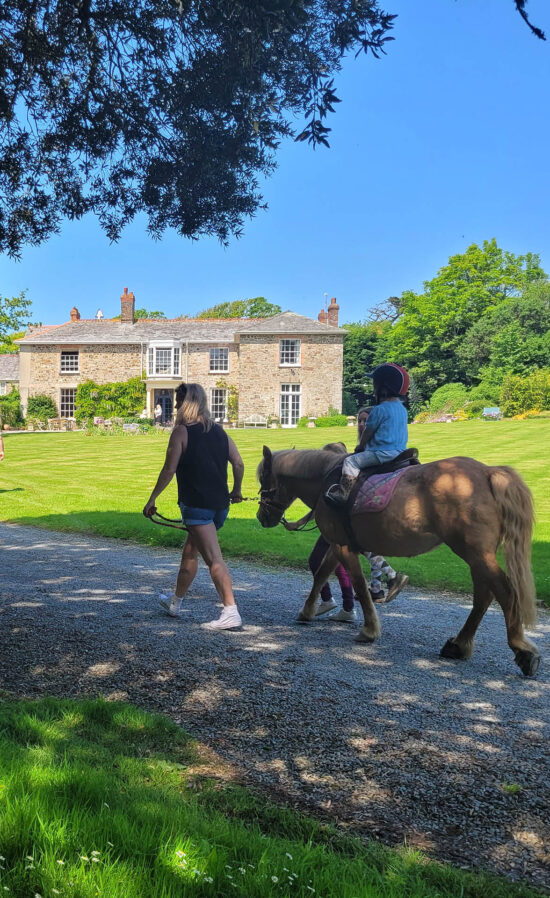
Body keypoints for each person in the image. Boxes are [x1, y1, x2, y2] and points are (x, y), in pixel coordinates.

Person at [143, 382, 245, 630]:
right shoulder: (220, 431)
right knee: (191, 552)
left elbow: (169, 469)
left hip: (197, 505)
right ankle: (175, 602)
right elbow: (239, 463)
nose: (176, 406)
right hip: (220, 506)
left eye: (178, 401)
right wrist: (237, 490)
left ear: (186, 403)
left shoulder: (181, 432)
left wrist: (152, 498)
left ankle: (231, 611)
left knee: (214, 559)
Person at [325, 363, 409, 506]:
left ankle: (343, 494)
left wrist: (360, 446)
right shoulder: (402, 409)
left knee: (350, 462)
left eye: (374, 383)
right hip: (401, 451)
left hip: (381, 452)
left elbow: (368, 432)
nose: (373, 387)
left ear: (383, 386)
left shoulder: (379, 409)